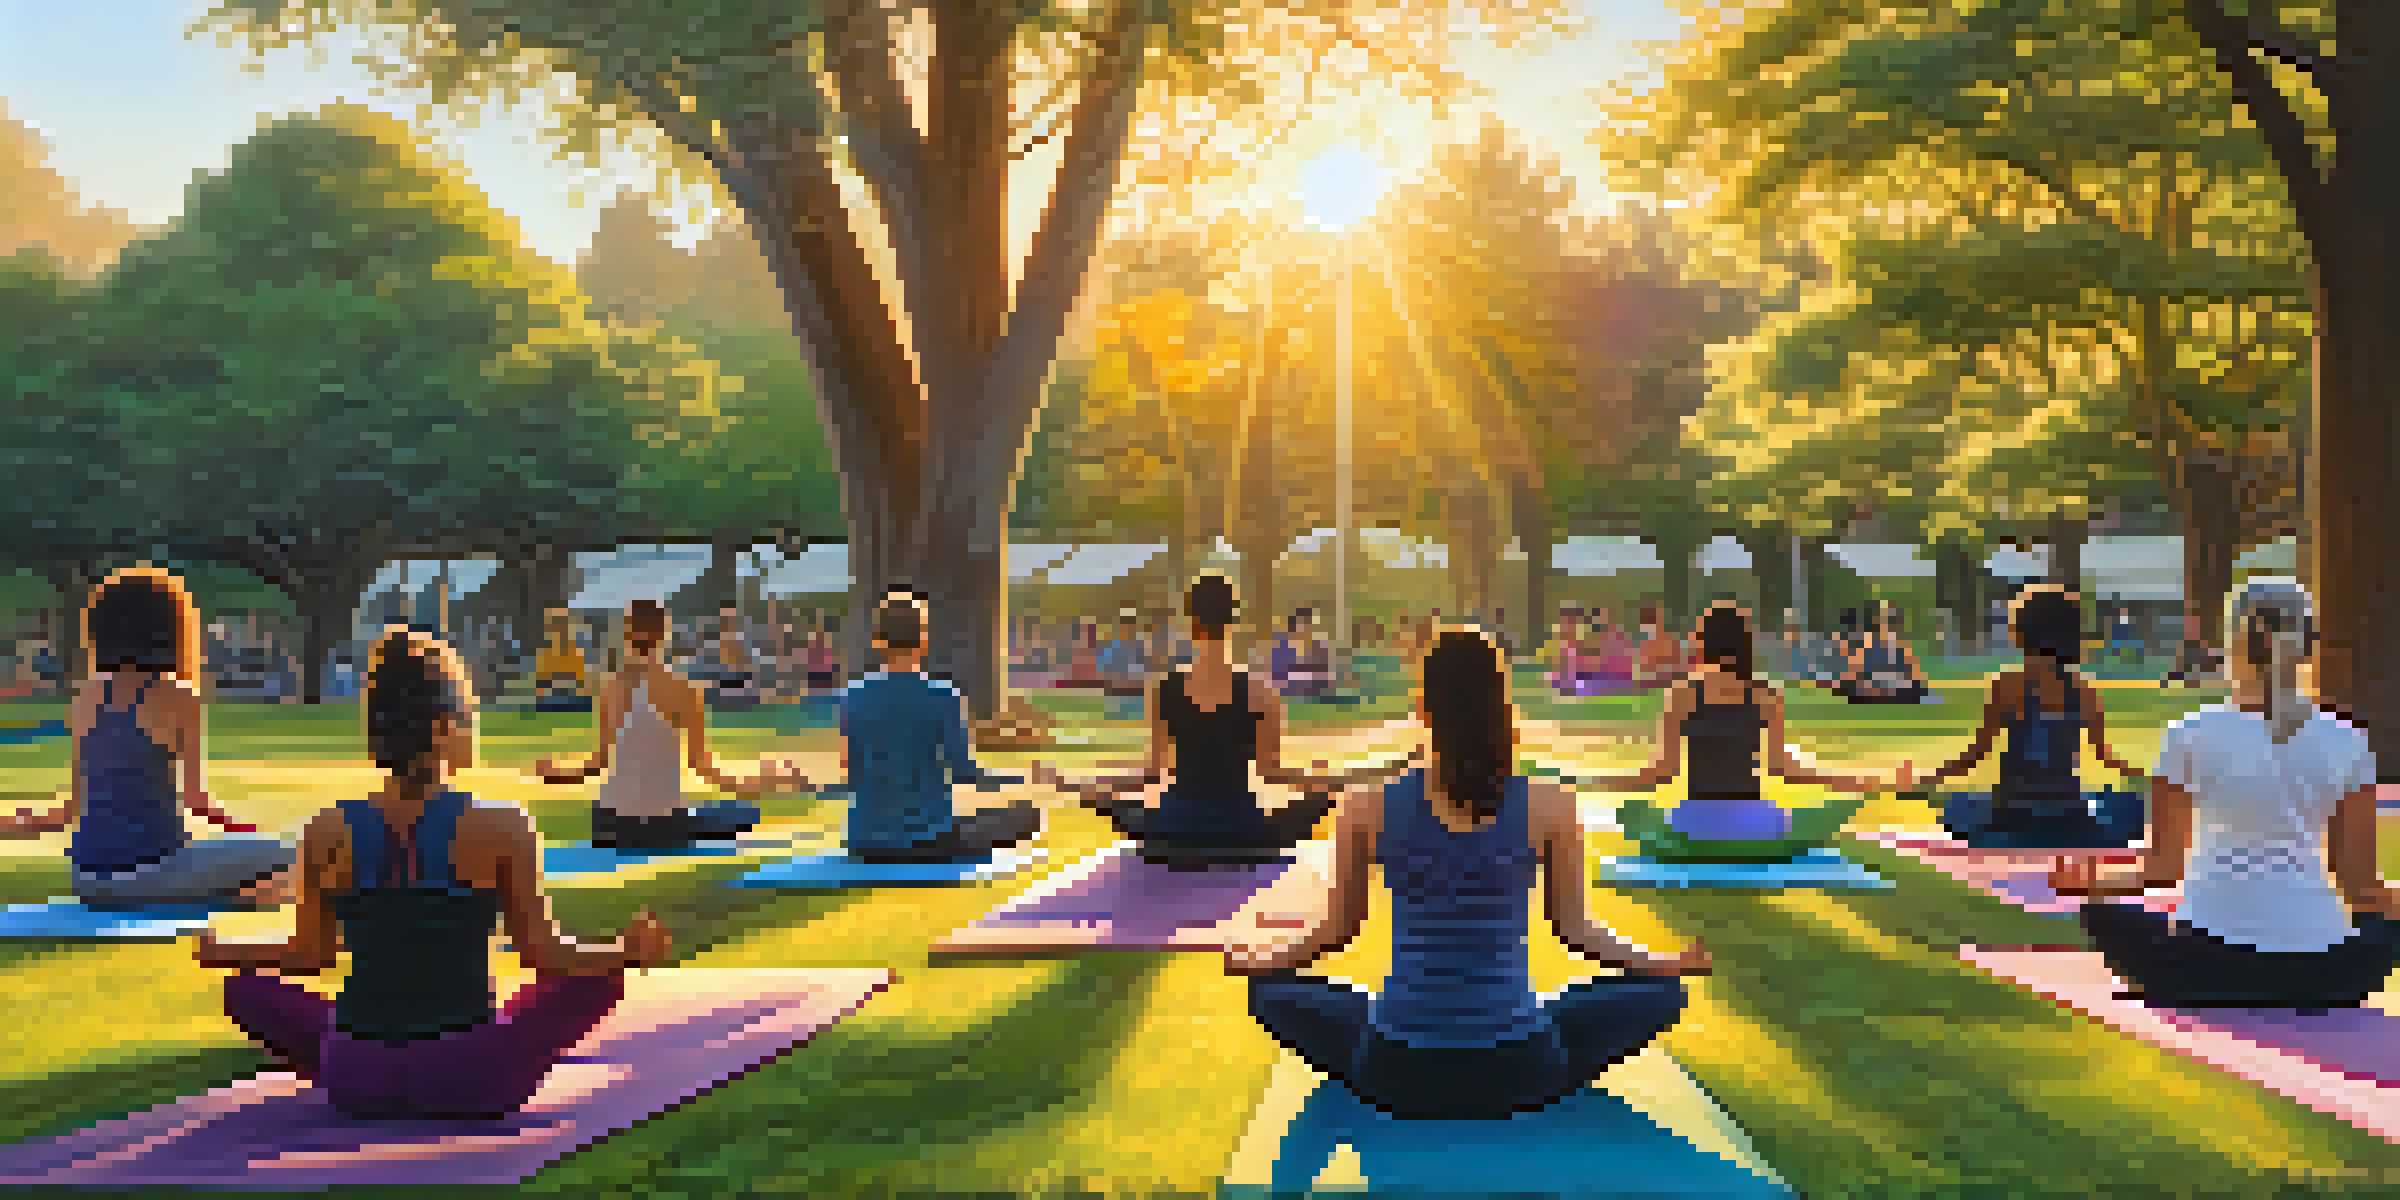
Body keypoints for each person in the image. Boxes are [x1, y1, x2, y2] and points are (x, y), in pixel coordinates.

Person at [1223, 628, 1713, 1121]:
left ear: (1423, 707)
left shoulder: (1365, 805)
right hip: (1522, 1070)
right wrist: (1659, 962)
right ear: (1501, 703)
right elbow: (1579, 933)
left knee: (1272, 992)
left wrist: (1266, 959)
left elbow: (1335, 932)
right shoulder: (1550, 804)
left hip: (1395, 1072)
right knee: (1661, 994)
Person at [196, 628, 673, 1119]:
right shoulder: (504, 826)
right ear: (443, 727)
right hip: (469, 1076)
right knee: (600, 979)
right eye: (469, 715)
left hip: (357, 1076)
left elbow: (310, 955)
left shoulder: (326, 829)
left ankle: (380, 1070)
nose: (475, 726)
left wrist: (229, 951)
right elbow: (545, 956)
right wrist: (625, 952)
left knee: (245, 988)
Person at [2052, 579, 2400, 1010]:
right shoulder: (2347, 740)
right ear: (2306, 648)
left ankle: (2203, 987)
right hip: (2322, 972)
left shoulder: (2190, 733)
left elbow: (2162, 869)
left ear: (2230, 645)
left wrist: (2096, 885)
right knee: (2384, 926)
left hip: (2207, 962)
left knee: (2101, 909)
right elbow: (2361, 887)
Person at [1034, 575, 1413, 866]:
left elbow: (1151, 773)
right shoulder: (1260, 691)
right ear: (1232, 623)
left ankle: (1085, 791)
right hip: (1244, 832)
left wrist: (1083, 785)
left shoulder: (1164, 688)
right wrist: (1327, 779)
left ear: (1191, 623)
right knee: (1319, 798)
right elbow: (1272, 773)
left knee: (1120, 807)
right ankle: (1356, 779)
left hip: (1175, 831)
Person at [0, 567, 295, 909]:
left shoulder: (88, 694)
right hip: (148, 874)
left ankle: (240, 897)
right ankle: (244, 898)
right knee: (294, 855)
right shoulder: (178, 696)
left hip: (84, 879)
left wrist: (26, 821)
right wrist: (241, 830)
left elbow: (74, 808)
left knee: (239, 870)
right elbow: (197, 800)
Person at [1585, 603, 1909, 852]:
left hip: (1694, 823)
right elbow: (1783, 767)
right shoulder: (1766, 695)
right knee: (1794, 822)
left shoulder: (1682, 694)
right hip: (1755, 824)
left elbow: (1664, 771)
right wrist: (1857, 782)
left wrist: (1600, 782)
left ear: (1703, 644)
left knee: (1639, 816)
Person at [532, 600, 785, 850]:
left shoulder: (611, 688)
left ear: (627, 635)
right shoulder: (684, 690)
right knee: (744, 812)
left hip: (610, 826)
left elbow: (599, 763)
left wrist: (557, 774)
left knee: (710, 814)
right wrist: (755, 781)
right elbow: (703, 768)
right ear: (664, 634)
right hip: (664, 826)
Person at [1922, 586, 2146, 849]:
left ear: (2021, 632)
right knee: (2121, 805)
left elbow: (1975, 756)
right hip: (2069, 816)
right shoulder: (2085, 690)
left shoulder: (2005, 685)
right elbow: (2104, 755)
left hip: (2012, 815)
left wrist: (1925, 780)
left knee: (1958, 806)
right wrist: (2154, 779)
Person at [831, 588, 1043, 862]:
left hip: (866, 842)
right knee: (1027, 815)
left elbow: (851, 771)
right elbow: (965, 773)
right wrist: (1016, 777)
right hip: (929, 841)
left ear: (877, 641)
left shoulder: (852, 696)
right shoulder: (944, 695)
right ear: (923, 640)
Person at [1838, 607, 1929, 704]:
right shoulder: (1868, 645)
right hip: (1880, 689)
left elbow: (1913, 673)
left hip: (1892, 689)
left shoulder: (1901, 647)